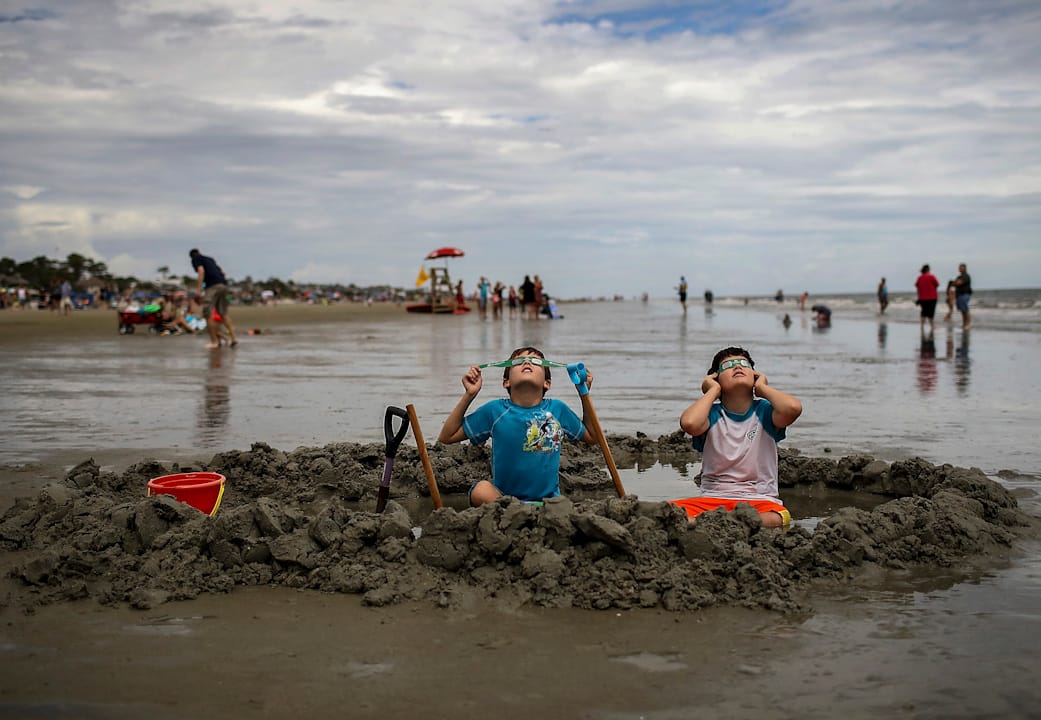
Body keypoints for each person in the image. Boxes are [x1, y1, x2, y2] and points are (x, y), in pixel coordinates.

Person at [437, 346, 595, 506]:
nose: (527, 362)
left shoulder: (557, 409)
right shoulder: (495, 411)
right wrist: (469, 394)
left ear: (547, 383)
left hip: (549, 504)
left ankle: (526, 511)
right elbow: (447, 437)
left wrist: (584, 394)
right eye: (518, 361)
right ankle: (518, 510)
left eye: (535, 361)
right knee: (480, 490)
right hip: (504, 500)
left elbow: (592, 436)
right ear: (506, 382)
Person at [673, 347, 803, 528]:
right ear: (715, 379)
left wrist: (763, 388)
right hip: (713, 500)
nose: (737, 367)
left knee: (779, 516)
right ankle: (726, 523)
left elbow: (793, 408)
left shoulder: (764, 411)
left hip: (759, 500)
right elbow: (690, 423)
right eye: (728, 366)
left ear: (755, 375)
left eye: (744, 364)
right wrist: (712, 392)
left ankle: (710, 524)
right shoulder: (711, 414)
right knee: (668, 512)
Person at [189, 248, 238, 349]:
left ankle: (214, 342)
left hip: (212, 286)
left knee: (207, 313)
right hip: (223, 284)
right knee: (223, 313)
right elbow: (222, 273)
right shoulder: (210, 259)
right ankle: (234, 338)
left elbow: (201, 271)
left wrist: (198, 290)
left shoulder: (196, 259)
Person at [914, 264, 940, 332]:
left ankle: (922, 326)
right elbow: (937, 284)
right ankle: (932, 326)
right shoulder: (931, 276)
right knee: (931, 312)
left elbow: (916, 285)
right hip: (932, 297)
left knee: (924, 312)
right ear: (928, 269)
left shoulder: (919, 277)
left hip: (922, 298)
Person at [953, 263, 972, 330]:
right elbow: (954, 283)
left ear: (965, 268)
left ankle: (968, 324)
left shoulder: (966, 276)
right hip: (959, 295)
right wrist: (956, 282)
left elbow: (958, 283)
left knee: (965, 309)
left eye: (961, 268)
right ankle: (964, 323)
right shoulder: (959, 276)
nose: (960, 269)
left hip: (965, 294)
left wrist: (957, 282)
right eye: (959, 268)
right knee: (962, 310)